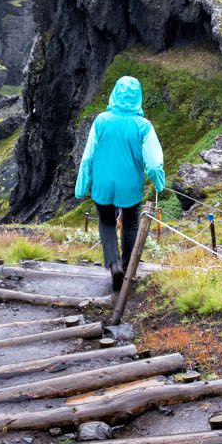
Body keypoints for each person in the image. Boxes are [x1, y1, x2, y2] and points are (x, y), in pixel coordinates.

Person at [75, 75, 166, 291]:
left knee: (106, 222)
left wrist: (82, 187)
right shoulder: (143, 126)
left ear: (115, 93)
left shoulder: (101, 121)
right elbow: (153, 164)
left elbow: (87, 157)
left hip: (102, 184)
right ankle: (127, 271)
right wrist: (159, 184)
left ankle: (113, 264)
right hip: (130, 186)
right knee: (131, 223)